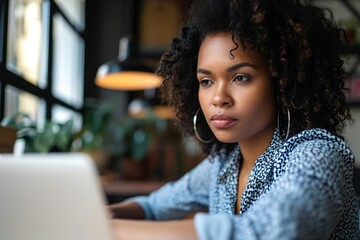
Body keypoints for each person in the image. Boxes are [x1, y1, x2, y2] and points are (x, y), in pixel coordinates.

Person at [109, 0, 360, 239]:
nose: (218, 98)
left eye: (240, 77)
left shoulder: (320, 154)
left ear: (283, 82)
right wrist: (105, 214)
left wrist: (108, 230)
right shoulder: (224, 163)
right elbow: (154, 207)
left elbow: (267, 233)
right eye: (206, 81)